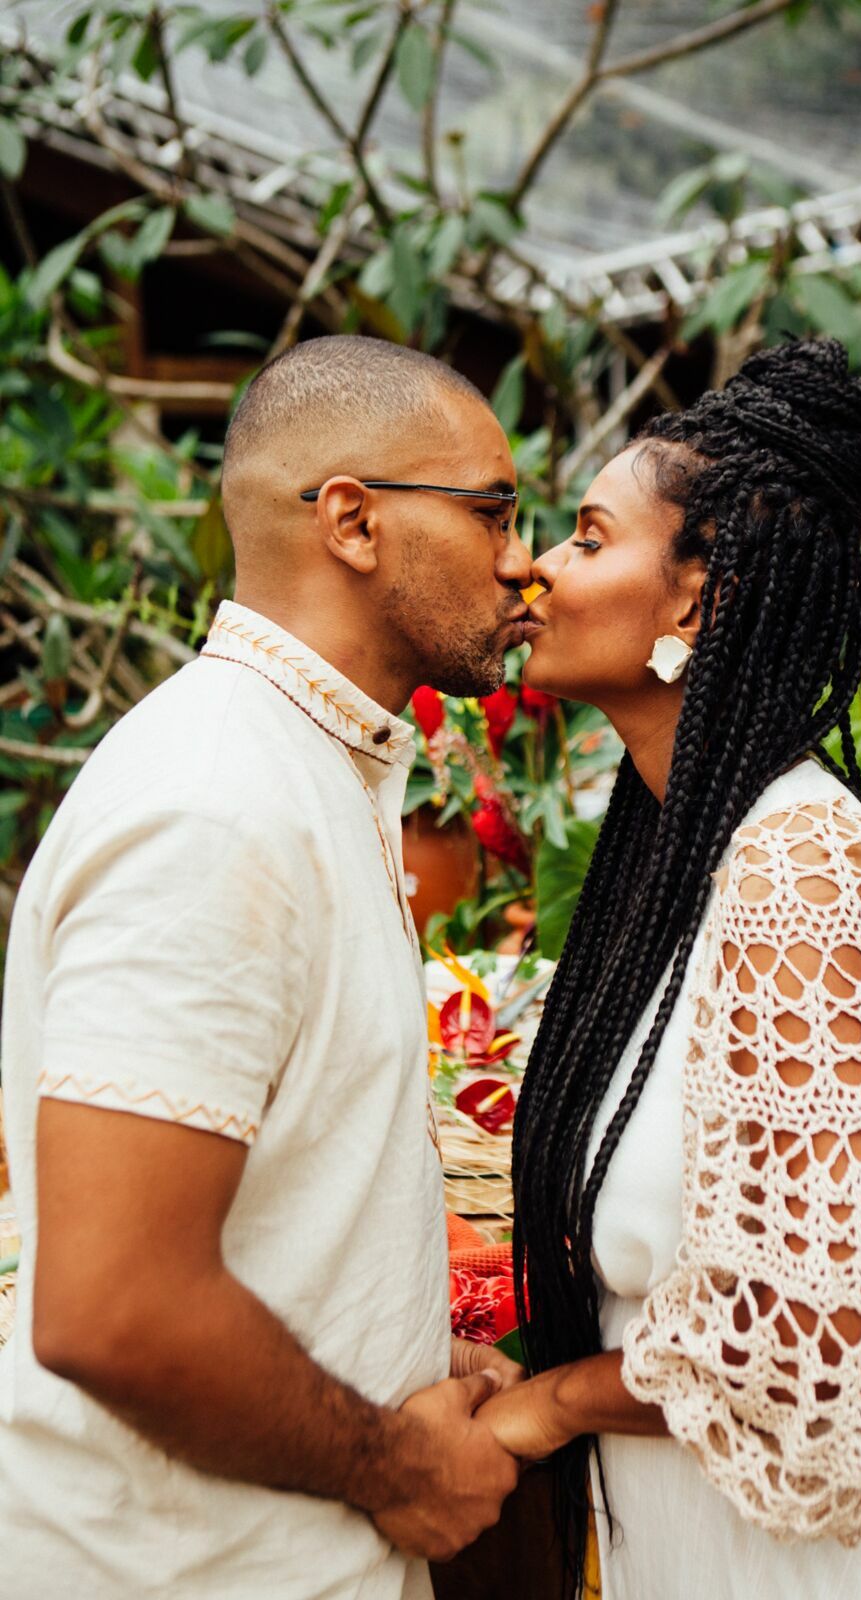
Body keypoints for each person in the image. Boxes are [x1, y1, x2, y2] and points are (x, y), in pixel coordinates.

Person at [479, 339, 861, 1598]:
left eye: (584, 535)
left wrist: (555, 1403)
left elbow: (827, 1350)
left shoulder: (798, 866)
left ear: (696, 600)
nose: (535, 568)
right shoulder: (677, 848)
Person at [0, 335, 531, 1598]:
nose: (521, 557)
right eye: (493, 510)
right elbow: (113, 1304)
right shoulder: (218, 806)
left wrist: (391, 1342)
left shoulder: (305, 768)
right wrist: (397, 1462)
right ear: (350, 520)